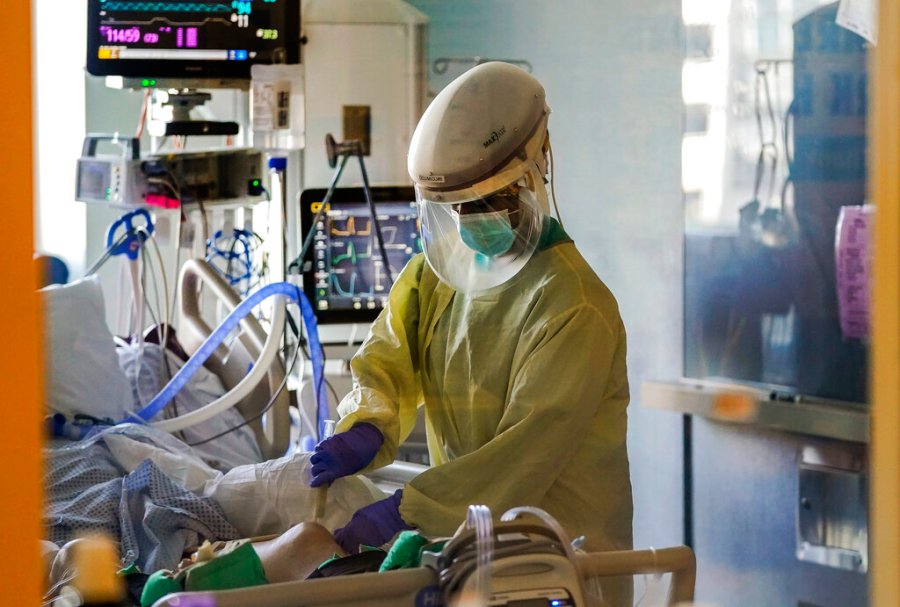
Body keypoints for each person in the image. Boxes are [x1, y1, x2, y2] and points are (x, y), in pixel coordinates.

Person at [309, 61, 633, 601]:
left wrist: (409, 509)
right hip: (465, 545)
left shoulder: (574, 306)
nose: (470, 218)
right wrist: (368, 422)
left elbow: (522, 452)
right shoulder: (440, 272)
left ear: (534, 176)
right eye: (456, 206)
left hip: (559, 556)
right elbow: (389, 352)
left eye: (489, 201)